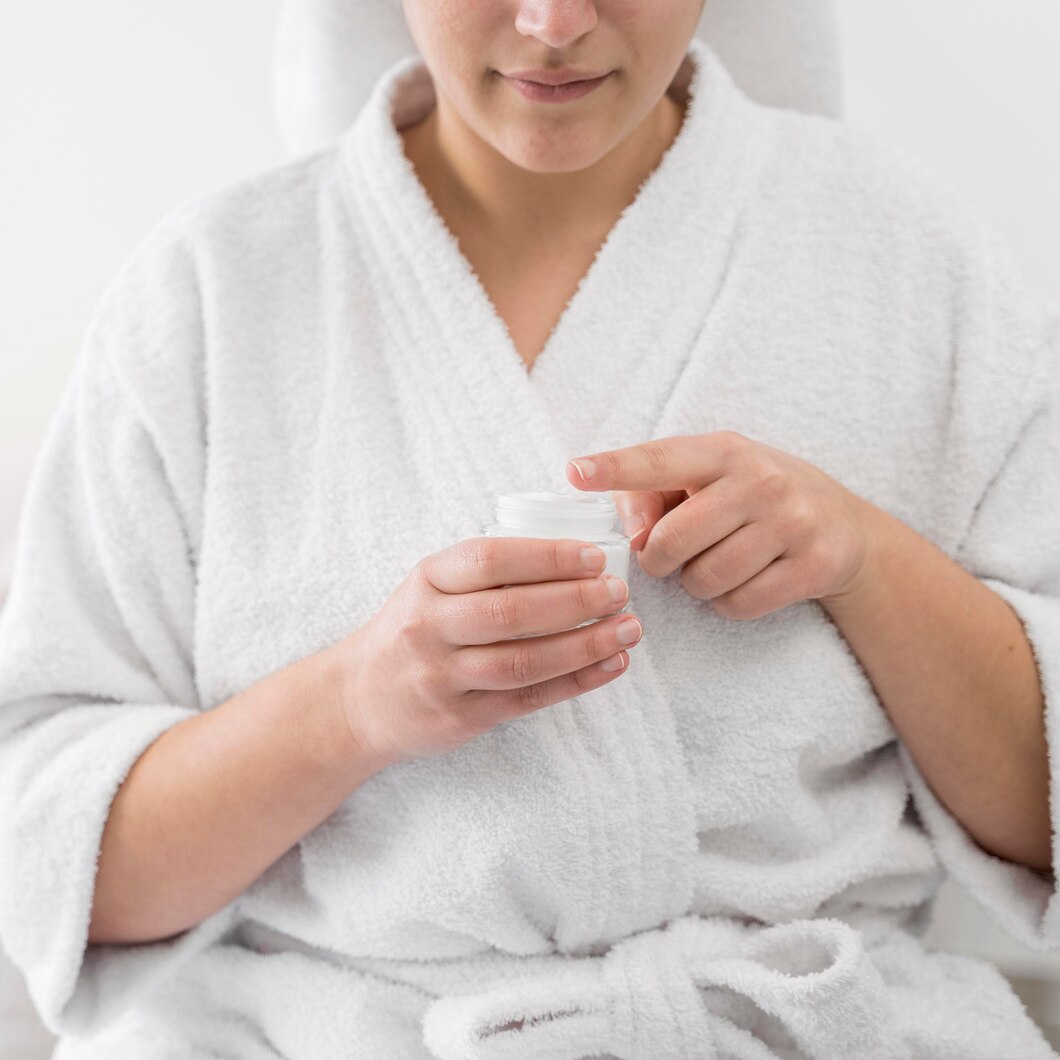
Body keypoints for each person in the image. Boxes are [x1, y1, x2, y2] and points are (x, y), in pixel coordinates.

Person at [1, 2, 1058, 1057]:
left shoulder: (911, 261)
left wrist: (867, 563)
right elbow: (56, 869)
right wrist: (352, 705)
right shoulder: (209, 293)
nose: (552, 24)